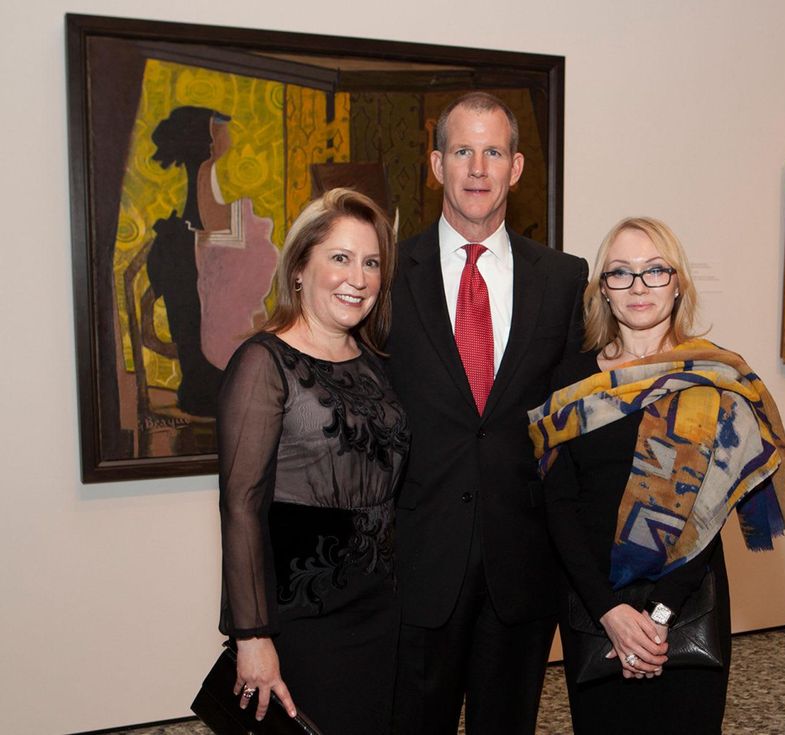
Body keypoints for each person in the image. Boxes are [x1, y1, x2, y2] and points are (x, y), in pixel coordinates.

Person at [528, 217, 785, 734]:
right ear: (603, 292)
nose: (638, 286)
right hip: (594, 600)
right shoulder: (571, 382)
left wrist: (655, 619)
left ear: (677, 284)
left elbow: (710, 513)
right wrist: (610, 612)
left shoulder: (716, 378)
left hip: (685, 599)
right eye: (621, 273)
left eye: (655, 270)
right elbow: (558, 505)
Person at [386, 92, 589, 734]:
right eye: (463, 151)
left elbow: (574, 424)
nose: (478, 168)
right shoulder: (390, 273)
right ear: (436, 164)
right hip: (418, 563)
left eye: (493, 151)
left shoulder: (562, 279)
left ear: (517, 167)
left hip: (521, 566)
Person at [217, 187, 409, 733]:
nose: (360, 276)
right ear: (300, 267)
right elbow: (241, 507)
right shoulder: (263, 362)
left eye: (372, 262)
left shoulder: (371, 362)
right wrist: (253, 637)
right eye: (341, 258)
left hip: (380, 605)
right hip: (303, 614)